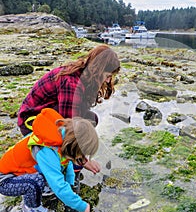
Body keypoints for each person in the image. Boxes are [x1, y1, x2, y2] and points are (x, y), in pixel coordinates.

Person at [17, 44, 120, 174]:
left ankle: (68, 155)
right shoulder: (71, 83)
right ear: (98, 70)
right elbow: (69, 126)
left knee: (91, 119)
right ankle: (62, 158)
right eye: (108, 75)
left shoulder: (84, 74)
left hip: (48, 114)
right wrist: (83, 160)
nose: (108, 80)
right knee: (73, 129)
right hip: (30, 123)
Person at [0, 108, 99, 212]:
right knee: (35, 182)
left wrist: (70, 185)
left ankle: (42, 188)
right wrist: (82, 206)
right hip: (5, 179)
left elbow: (68, 164)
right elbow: (59, 186)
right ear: (72, 147)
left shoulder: (63, 137)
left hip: (23, 171)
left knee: (49, 174)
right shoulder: (47, 150)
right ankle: (30, 209)